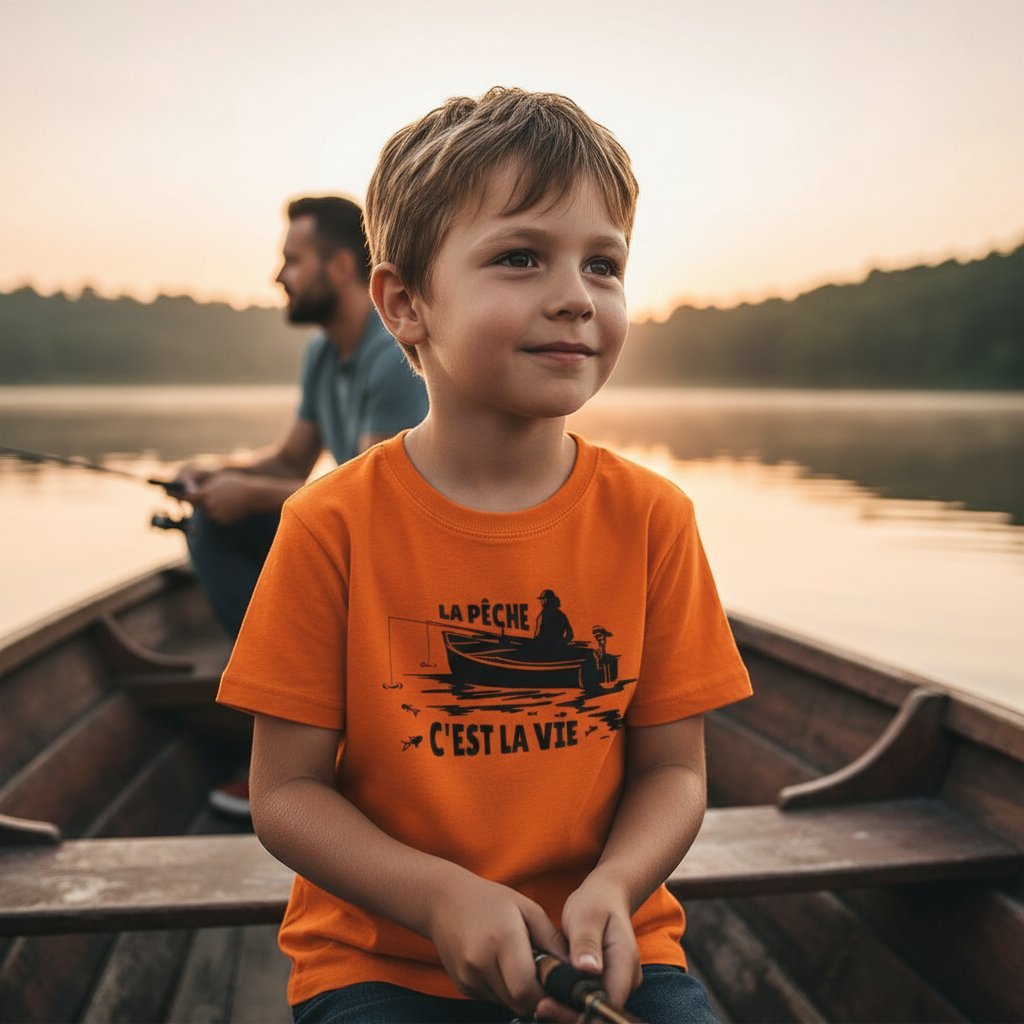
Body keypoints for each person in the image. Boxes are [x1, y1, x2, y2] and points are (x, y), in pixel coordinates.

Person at [217, 88, 753, 1024]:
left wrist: (614, 886)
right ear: (405, 303)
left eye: (604, 264)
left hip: (606, 944)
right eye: (519, 257)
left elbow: (675, 771)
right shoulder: (329, 524)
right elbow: (287, 795)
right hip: (383, 961)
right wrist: (439, 898)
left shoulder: (654, 518)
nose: (574, 297)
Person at [177, 196, 429, 640]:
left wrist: (251, 495)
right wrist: (218, 474)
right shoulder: (322, 351)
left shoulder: (392, 353)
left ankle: (283, 661)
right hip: (356, 535)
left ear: (340, 266)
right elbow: (291, 461)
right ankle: (286, 655)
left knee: (212, 531)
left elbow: (377, 500)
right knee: (211, 518)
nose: (278, 277)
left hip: (401, 556)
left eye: (292, 261)